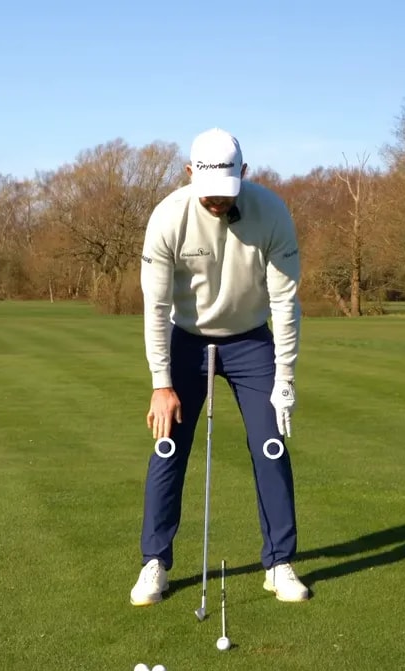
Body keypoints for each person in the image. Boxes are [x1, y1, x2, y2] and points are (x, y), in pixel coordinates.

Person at [130, 127, 310, 607]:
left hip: (251, 341)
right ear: (189, 174)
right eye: (208, 192)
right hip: (187, 340)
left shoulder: (271, 212)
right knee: (168, 446)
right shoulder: (168, 217)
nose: (217, 202)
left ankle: (279, 563)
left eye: (225, 193)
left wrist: (286, 377)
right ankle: (155, 562)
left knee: (271, 446)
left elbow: (285, 302)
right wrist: (161, 383)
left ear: (243, 174)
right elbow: (155, 305)